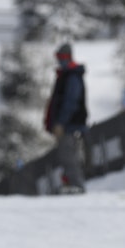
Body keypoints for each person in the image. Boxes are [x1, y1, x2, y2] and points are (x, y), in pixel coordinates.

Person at [43, 42, 88, 194]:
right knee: (65, 156)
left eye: (61, 57)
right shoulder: (66, 75)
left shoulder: (72, 75)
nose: (59, 60)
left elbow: (71, 101)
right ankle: (71, 183)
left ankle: (77, 185)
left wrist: (61, 122)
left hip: (70, 124)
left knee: (69, 156)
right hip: (69, 124)